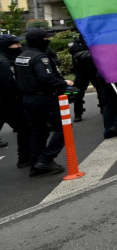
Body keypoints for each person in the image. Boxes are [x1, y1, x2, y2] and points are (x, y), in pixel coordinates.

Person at [14, 28, 74, 177]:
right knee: (63, 128)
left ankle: (36, 164)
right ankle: (46, 159)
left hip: (27, 98)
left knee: (38, 131)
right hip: (44, 98)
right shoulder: (40, 57)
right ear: (41, 41)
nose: (48, 41)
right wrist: (63, 82)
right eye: (46, 39)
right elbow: (46, 78)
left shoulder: (22, 56)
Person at [0, 34, 28, 162]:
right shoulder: (4, 63)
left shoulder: (7, 59)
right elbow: (10, 84)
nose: (19, 46)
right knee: (24, 127)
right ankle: (24, 158)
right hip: (8, 102)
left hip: (6, 101)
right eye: (15, 44)